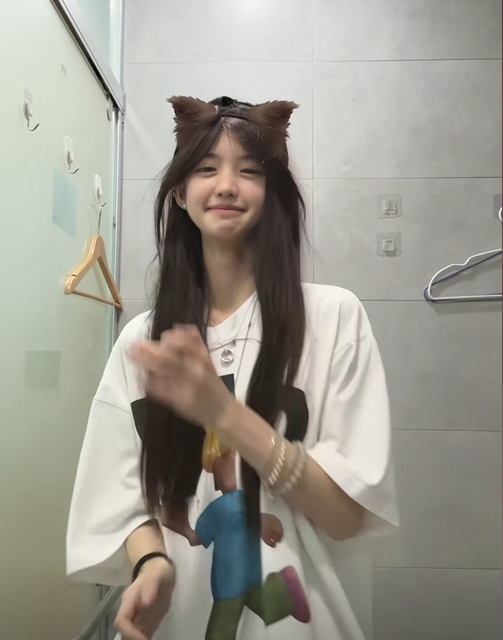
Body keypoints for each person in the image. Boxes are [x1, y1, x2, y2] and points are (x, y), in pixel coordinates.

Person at [66, 95, 399, 640]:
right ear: (179, 192)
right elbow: (119, 498)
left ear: (274, 194)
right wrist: (152, 565)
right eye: (206, 169)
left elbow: (345, 516)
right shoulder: (143, 340)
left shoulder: (334, 318)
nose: (226, 185)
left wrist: (224, 413)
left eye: (248, 171)